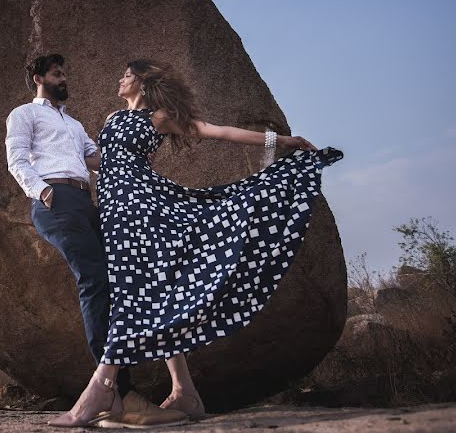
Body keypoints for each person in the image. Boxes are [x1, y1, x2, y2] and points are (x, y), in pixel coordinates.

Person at [51, 59, 344, 427]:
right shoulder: (112, 118)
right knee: (157, 288)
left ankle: (101, 386)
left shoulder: (158, 118)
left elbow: (215, 131)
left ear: (142, 83)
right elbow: (101, 161)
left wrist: (279, 140)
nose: (120, 78)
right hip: (114, 207)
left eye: (127, 74)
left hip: (140, 207)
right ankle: (185, 391)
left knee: (132, 290)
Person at [5, 55, 188, 428]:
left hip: (86, 203)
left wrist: (138, 154)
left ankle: (116, 395)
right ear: (40, 78)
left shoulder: (73, 124)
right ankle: (116, 394)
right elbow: (16, 159)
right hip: (56, 199)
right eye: (58, 73)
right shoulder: (25, 114)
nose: (64, 77)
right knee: (94, 280)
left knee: (118, 280)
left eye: (64, 71)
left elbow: (99, 159)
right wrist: (42, 192)